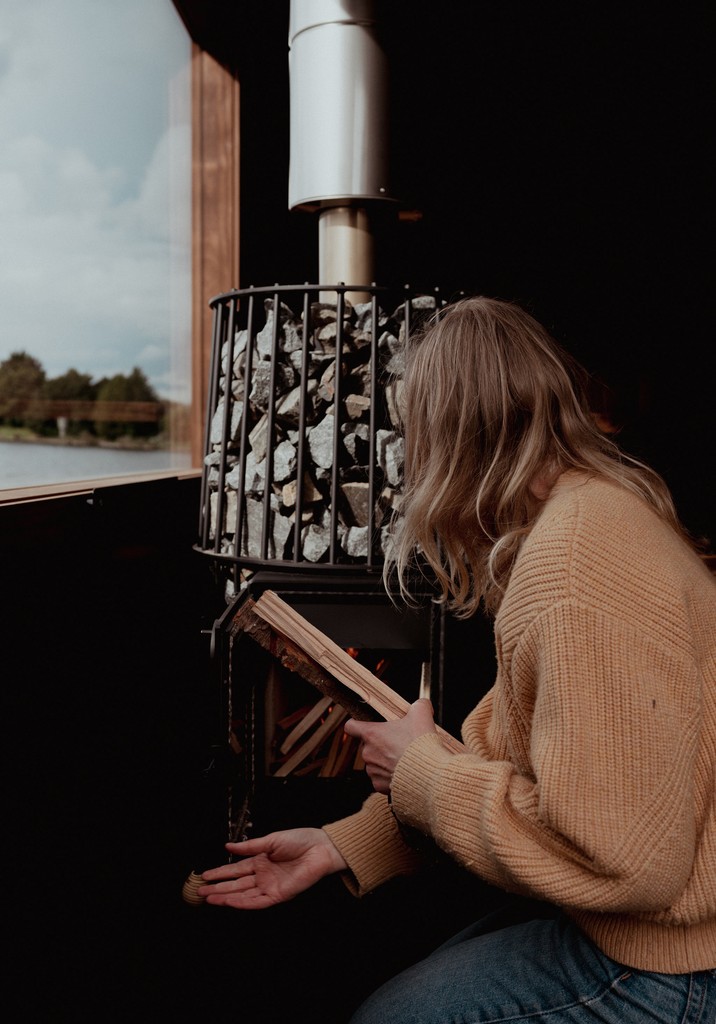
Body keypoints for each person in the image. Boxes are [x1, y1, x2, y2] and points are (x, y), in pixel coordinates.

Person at [198, 296, 716, 1022]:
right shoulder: (583, 514)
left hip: (680, 961)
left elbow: (626, 865)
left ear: (447, 436)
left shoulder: (571, 568)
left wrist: (421, 772)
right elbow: (503, 749)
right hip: (662, 929)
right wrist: (344, 843)